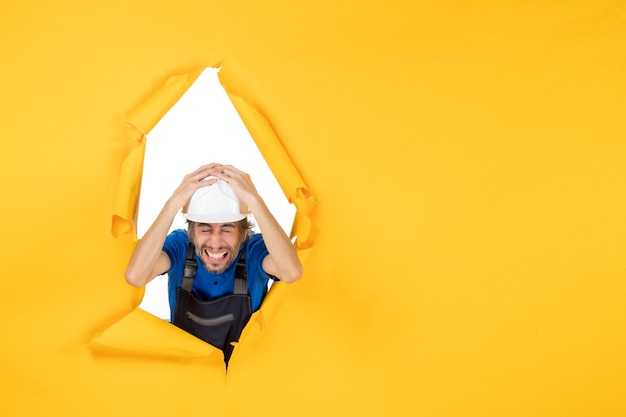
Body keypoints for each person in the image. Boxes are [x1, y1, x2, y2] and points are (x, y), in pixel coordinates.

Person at [125, 163, 303, 366]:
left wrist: (255, 201)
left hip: (242, 378)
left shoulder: (254, 250)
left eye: (227, 228)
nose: (216, 242)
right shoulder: (180, 246)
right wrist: (172, 204)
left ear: (243, 232)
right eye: (205, 228)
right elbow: (135, 276)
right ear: (192, 231)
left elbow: (291, 272)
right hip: (186, 376)